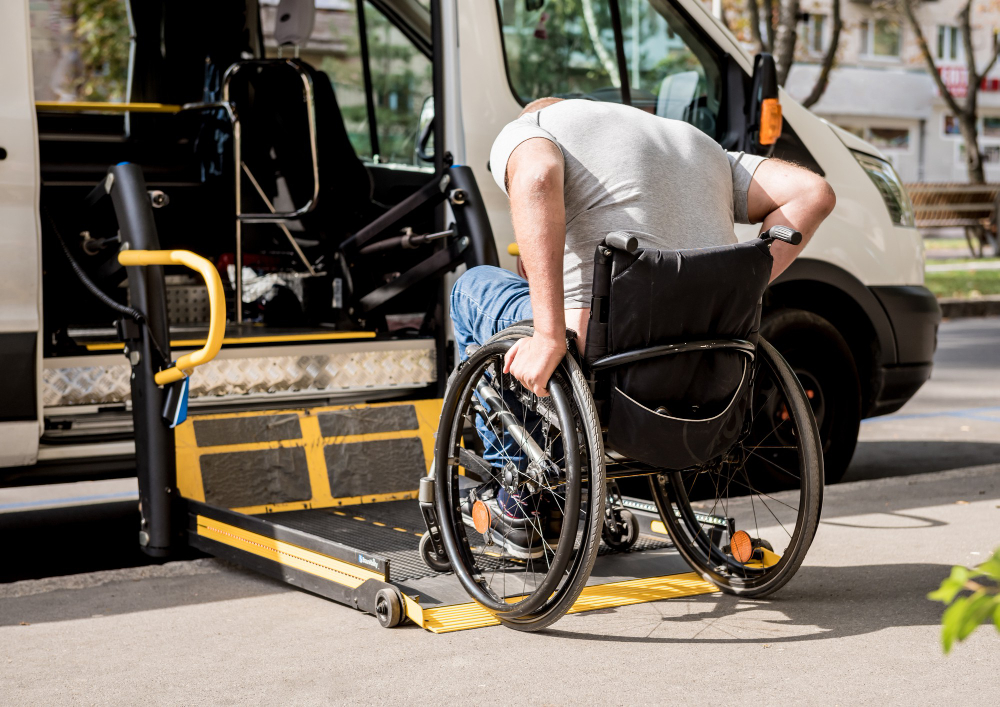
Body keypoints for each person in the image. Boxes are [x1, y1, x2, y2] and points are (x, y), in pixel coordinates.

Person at [451, 97, 836, 557]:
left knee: (471, 287)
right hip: (709, 358)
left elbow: (535, 178)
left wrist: (549, 333)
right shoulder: (696, 143)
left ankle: (519, 497)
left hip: (602, 353)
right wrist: (732, 294)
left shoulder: (535, 127)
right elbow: (814, 193)